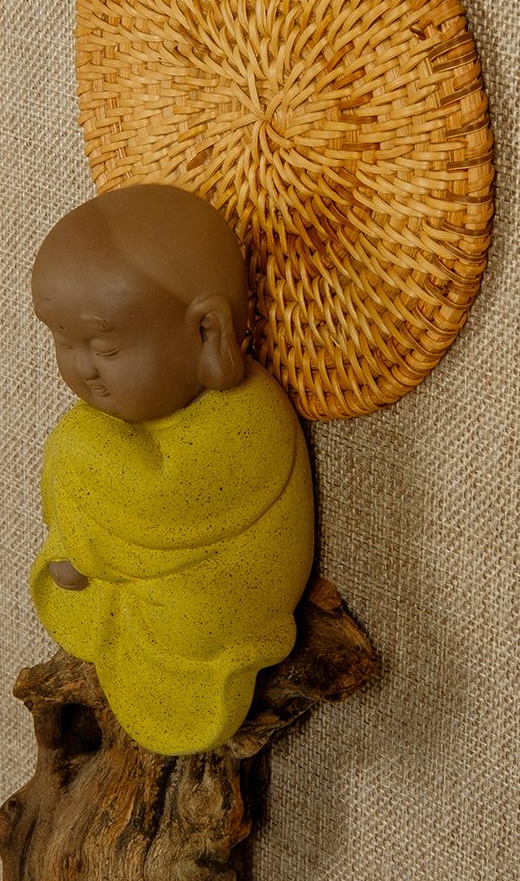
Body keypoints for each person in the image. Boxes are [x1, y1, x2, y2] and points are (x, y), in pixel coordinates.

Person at [29, 184, 314, 755]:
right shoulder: (113, 422)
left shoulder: (246, 417)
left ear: (208, 331)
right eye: (64, 342)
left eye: (106, 349)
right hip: (145, 588)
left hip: (214, 609)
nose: (83, 369)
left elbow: (163, 502)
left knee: (194, 619)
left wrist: (85, 540)